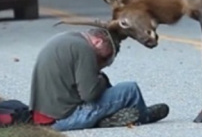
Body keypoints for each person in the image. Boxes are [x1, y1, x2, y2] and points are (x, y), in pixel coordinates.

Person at [29, 28, 169, 131]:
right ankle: (144, 116)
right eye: (104, 58)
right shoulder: (84, 49)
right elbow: (89, 94)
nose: (102, 63)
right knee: (130, 89)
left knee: (105, 85)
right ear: (98, 41)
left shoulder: (66, 38)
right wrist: (100, 78)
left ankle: (109, 118)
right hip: (64, 118)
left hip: (44, 117)